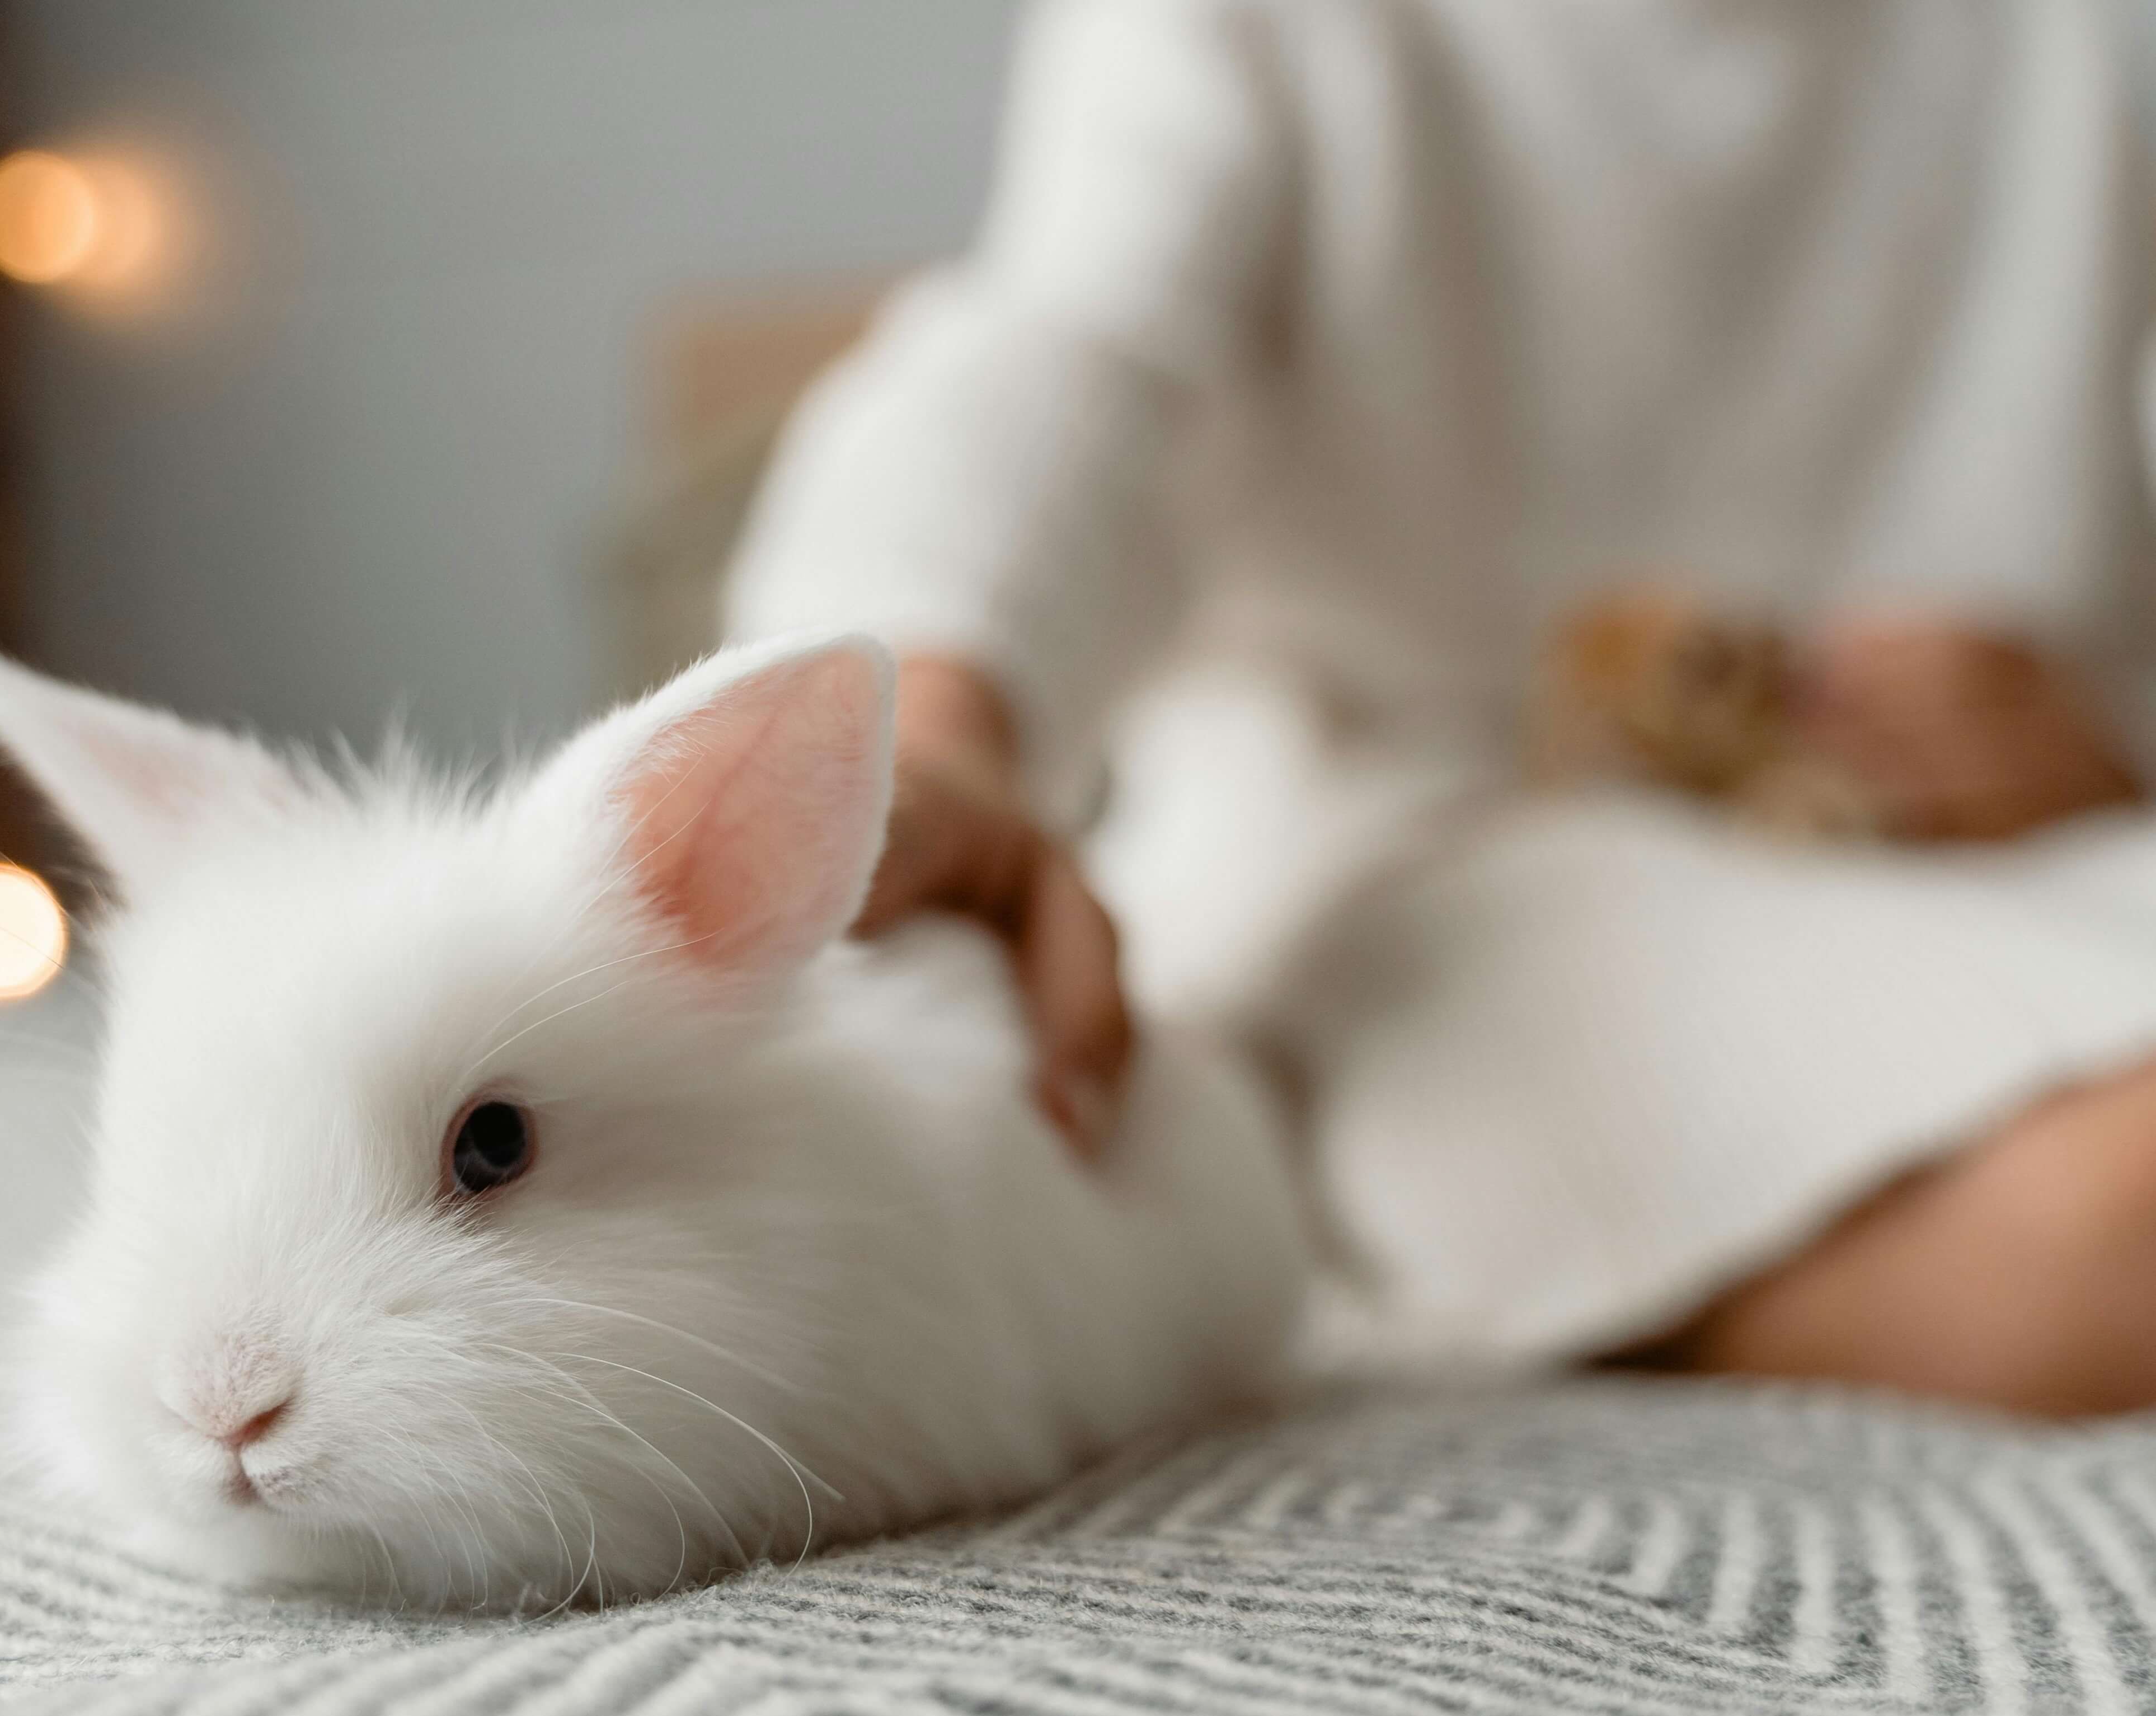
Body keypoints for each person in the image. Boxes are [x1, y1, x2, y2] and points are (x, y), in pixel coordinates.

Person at [726, 0, 2156, 1417]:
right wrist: (936, 734)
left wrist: (2093, 738)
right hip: (1417, 865)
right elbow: (1065, 360)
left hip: (1985, 855)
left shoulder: (2067, 42)